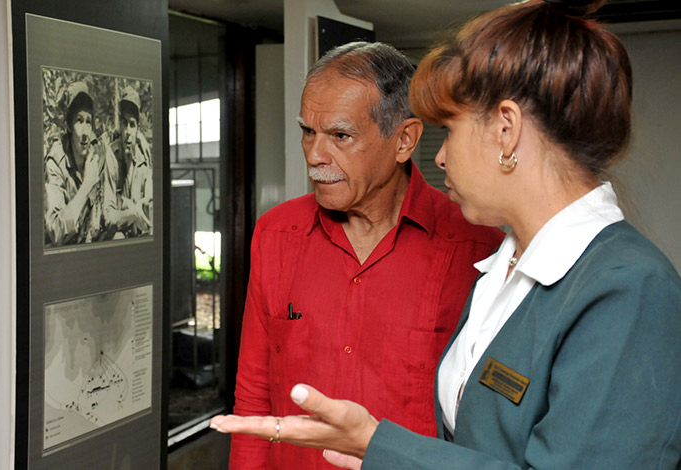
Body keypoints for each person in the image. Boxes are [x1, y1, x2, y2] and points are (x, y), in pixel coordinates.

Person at [211, 1, 681, 469]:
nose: (440, 157)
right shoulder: (503, 272)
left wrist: (377, 445)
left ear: (506, 130)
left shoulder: (630, 289)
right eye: (307, 133)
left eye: (451, 130)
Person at [229, 41, 504, 469]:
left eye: (340, 136)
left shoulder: (478, 249)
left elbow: (483, 423)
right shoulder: (277, 234)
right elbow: (253, 394)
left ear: (404, 141)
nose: (316, 156)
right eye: (308, 131)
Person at [44, 80, 106, 246]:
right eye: (79, 120)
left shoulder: (94, 155)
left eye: (88, 121)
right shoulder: (56, 161)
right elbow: (56, 231)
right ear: (69, 126)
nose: (85, 132)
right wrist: (86, 185)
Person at [104, 85, 153, 239]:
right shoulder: (111, 156)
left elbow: (150, 208)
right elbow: (108, 217)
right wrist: (132, 212)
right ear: (119, 125)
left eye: (132, 124)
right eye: (124, 123)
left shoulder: (143, 161)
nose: (127, 132)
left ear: (137, 128)